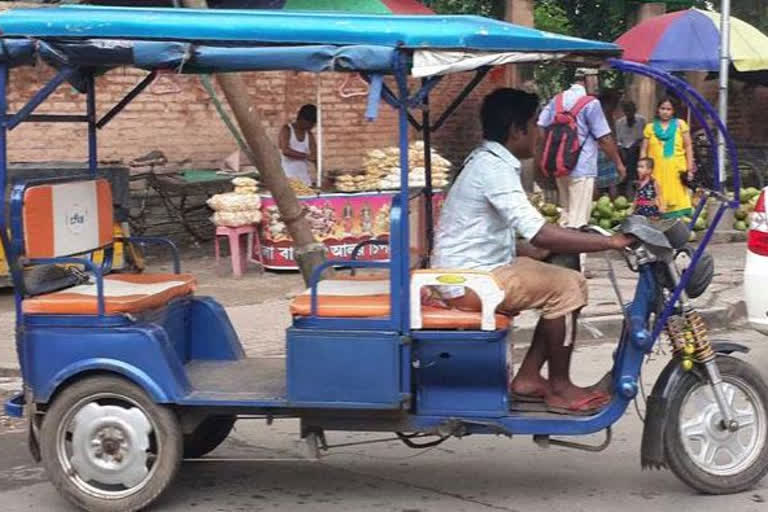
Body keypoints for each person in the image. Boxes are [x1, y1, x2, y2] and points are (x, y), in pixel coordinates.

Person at [432, 88, 634, 415]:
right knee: (570, 285)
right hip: (471, 281)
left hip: (475, 270)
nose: (541, 133)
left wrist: (530, 250)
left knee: (560, 268)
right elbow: (540, 231)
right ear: (517, 130)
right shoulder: (493, 168)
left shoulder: (489, 160)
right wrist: (611, 242)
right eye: (534, 125)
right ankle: (559, 387)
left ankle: (528, 378)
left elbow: (488, 232)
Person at [537, 69, 626, 275]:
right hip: (582, 167)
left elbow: (541, 129)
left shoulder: (556, 101)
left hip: (560, 167)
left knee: (565, 215)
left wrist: (547, 157)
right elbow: (604, 138)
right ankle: (576, 268)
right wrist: (618, 163)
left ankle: (558, 262)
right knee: (579, 220)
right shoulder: (590, 104)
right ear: (589, 79)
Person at [640, 97, 695, 218]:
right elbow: (644, 149)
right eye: (662, 108)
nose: (665, 112)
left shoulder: (680, 125)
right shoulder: (650, 127)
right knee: (656, 196)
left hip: (676, 169)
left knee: (678, 200)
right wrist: (643, 169)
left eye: (669, 109)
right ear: (657, 110)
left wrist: (690, 168)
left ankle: (677, 226)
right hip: (655, 170)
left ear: (673, 111)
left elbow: (688, 146)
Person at [279, 104, 317, 186]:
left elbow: (314, 157)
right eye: (310, 124)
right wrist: (306, 156)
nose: (311, 127)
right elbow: (286, 151)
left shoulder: (309, 135)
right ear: (302, 119)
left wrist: (320, 175)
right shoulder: (287, 130)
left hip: (304, 178)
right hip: (288, 177)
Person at [615, 101, 647, 199]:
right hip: (624, 150)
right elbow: (619, 140)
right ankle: (623, 190)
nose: (629, 114)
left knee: (633, 155)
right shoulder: (619, 122)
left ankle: (633, 188)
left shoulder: (642, 120)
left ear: (635, 111)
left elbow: (644, 137)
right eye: (627, 111)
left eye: (631, 111)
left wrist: (635, 144)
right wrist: (622, 148)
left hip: (636, 149)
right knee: (624, 157)